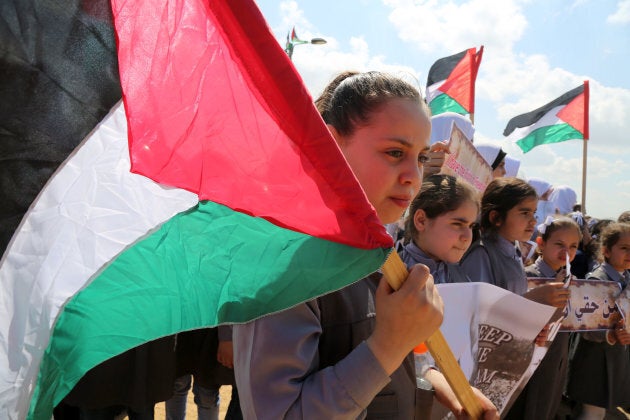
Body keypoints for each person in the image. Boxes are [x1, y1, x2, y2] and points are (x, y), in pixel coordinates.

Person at [232, 71, 498, 419]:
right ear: (330, 146)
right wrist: (388, 345)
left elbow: (404, 357)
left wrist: (439, 382)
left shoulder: (378, 250)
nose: (413, 177)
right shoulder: (283, 263)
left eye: (419, 158)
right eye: (394, 152)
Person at [505, 217, 580, 420]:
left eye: (573, 246)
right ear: (541, 243)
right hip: (528, 360)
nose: (567, 252)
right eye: (559, 244)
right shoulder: (526, 275)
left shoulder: (570, 279)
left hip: (555, 359)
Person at [567, 222, 630, 420]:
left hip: (614, 355)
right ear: (606, 251)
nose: (629, 253)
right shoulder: (597, 279)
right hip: (593, 358)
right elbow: (585, 326)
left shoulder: (626, 277)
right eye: (624, 248)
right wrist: (611, 334)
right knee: (591, 412)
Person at [399, 174, 478, 284]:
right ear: (421, 220)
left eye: (471, 226)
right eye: (457, 224)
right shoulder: (393, 273)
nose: (467, 237)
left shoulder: (461, 278)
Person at [165, 327, 242, 420]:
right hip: (180, 330)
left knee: (206, 394)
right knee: (177, 384)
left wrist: (226, 337)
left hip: (209, 333)